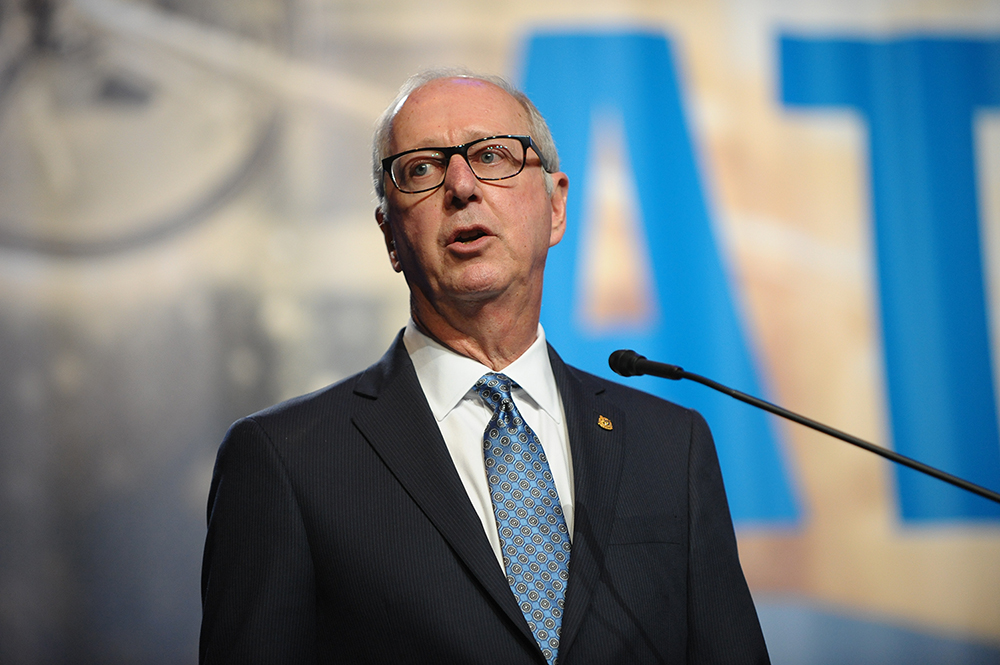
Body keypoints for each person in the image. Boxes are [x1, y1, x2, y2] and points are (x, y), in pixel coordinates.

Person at [199, 68, 770, 664]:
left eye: (492, 156)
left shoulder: (670, 447)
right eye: (422, 169)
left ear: (556, 206)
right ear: (390, 235)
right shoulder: (286, 460)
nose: (462, 186)